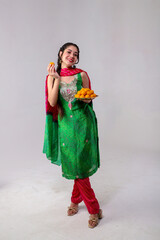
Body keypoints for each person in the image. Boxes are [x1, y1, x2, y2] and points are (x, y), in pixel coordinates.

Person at [43, 42, 102, 228]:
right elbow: (52, 102)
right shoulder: (51, 77)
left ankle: (94, 209)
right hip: (66, 126)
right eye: (69, 52)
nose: (72, 56)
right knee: (75, 164)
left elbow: (87, 97)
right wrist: (56, 78)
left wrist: (86, 98)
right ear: (60, 53)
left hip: (83, 123)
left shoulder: (82, 74)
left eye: (76, 54)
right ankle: (76, 201)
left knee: (80, 166)